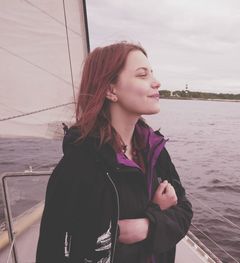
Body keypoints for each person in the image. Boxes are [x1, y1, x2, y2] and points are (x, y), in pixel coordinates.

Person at [36, 41, 193, 263]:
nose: (156, 83)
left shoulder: (153, 150)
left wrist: (146, 225)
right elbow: (58, 252)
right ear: (110, 90)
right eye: (142, 75)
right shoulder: (79, 167)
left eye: (152, 74)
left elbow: (184, 210)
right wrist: (123, 230)